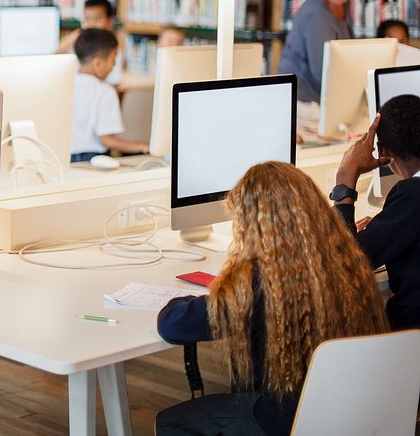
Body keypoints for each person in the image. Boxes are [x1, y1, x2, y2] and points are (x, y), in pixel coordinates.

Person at [156, 161, 387, 435]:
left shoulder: (260, 282)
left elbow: (173, 324)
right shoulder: (346, 259)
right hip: (355, 412)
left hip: (288, 421)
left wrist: (225, 285)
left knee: (173, 419)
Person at [331, 97, 420, 330]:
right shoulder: (409, 203)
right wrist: (389, 222)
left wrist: (345, 178)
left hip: (409, 350)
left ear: (382, 151)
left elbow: (343, 264)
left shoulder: (411, 196)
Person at [278, 0, 359, 132]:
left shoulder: (341, 5)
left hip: (319, 97)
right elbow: (322, 70)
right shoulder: (317, 15)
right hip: (303, 101)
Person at [70, 29, 148, 162]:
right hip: (94, 159)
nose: (114, 65)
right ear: (98, 63)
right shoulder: (105, 91)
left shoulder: (65, 85)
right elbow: (107, 140)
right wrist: (143, 146)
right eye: (113, 59)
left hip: (65, 159)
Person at [58, 0, 124, 85]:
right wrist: (70, 39)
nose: (91, 24)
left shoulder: (113, 51)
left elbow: (115, 82)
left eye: (97, 19)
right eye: (87, 19)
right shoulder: (77, 44)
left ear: (109, 21)